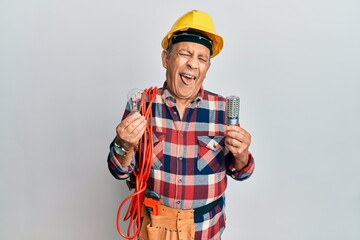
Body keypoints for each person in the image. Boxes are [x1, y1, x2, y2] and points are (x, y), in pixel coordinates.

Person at [108, 9, 255, 240]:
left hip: (205, 230)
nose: (192, 65)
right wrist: (123, 144)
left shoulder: (222, 109)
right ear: (166, 58)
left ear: (207, 68)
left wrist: (243, 154)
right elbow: (119, 171)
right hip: (153, 227)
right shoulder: (141, 105)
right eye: (185, 54)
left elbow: (242, 172)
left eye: (202, 58)